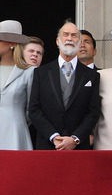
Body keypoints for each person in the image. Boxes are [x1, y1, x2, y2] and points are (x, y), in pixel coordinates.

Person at [28, 20, 101, 150]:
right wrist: (53, 136)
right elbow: (34, 110)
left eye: (74, 35)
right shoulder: (41, 73)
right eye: (65, 34)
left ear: (79, 42)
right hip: (48, 145)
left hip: (78, 147)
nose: (69, 38)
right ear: (57, 41)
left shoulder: (92, 76)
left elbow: (93, 112)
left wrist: (75, 138)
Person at [0, 20, 36, 149]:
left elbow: (31, 109)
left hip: (15, 132)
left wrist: (16, 120)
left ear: (12, 44)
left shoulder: (29, 72)